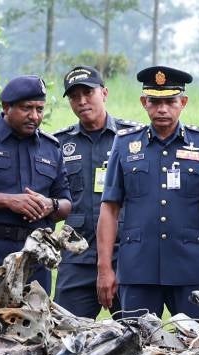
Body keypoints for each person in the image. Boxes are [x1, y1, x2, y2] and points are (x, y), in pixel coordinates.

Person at [96, 66, 199, 319]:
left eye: (170, 101)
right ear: (143, 102)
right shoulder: (125, 143)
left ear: (183, 102)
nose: (162, 109)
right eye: (155, 101)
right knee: (135, 347)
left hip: (189, 270)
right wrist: (104, 268)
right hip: (138, 270)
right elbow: (109, 208)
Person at [52, 66, 140, 318]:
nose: (81, 101)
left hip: (127, 254)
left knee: (137, 336)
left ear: (104, 93)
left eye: (88, 93)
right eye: (74, 96)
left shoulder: (133, 138)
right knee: (64, 337)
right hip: (77, 255)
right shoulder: (59, 144)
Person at [0, 75, 72, 292]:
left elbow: (66, 203)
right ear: (6, 107)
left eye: (39, 109)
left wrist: (51, 205)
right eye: (27, 108)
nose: (34, 116)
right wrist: (8, 201)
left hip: (35, 257)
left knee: (34, 323)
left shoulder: (51, 148)